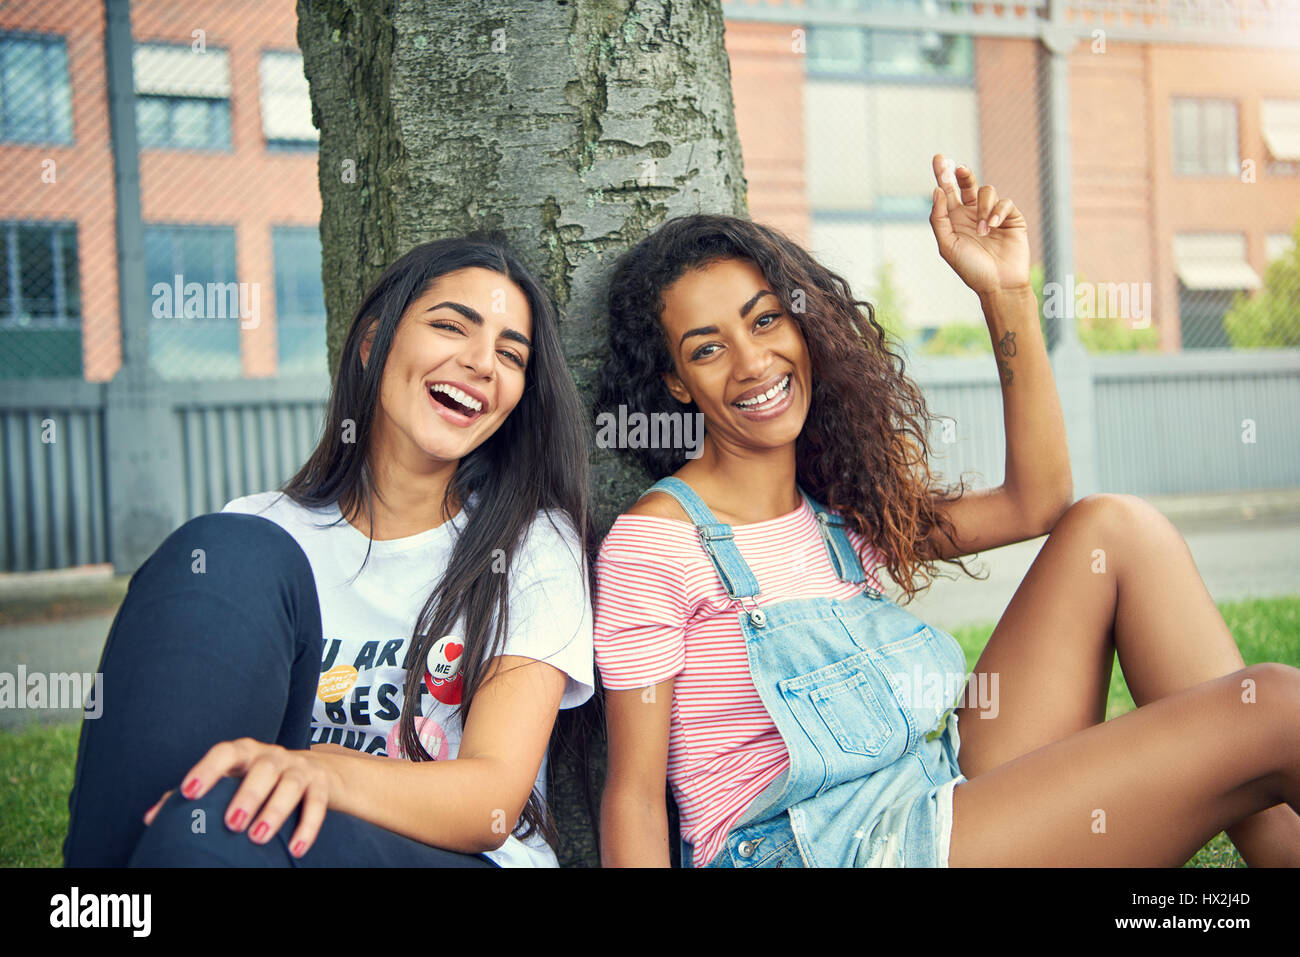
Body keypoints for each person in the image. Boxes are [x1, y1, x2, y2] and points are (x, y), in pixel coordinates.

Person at [592, 154, 1300, 868]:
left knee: (1114, 529)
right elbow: (634, 795)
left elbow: (1038, 502)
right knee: (1273, 705)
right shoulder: (657, 541)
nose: (751, 361)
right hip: (820, 851)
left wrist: (1006, 291)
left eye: (766, 320)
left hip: (930, 797)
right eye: (707, 348)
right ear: (676, 384)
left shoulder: (838, 512)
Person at [63, 233, 596, 867]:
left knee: (219, 830)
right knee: (201, 823)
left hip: (454, 856)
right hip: (260, 836)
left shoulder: (532, 542)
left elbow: (491, 803)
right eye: (453, 326)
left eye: (511, 355)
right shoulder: (258, 536)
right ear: (373, 344)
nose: (484, 362)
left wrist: (315, 771)